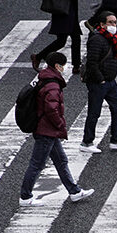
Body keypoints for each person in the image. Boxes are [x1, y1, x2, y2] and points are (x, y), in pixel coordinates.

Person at [20, 53, 94, 207]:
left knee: (61, 161)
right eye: (63, 64)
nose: (64, 68)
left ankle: (74, 191)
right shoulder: (52, 85)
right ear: (57, 66)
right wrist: (60, 124)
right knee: (37, 164)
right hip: (47, 130)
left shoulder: (45, 78)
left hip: (46, 129)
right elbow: (52, 109)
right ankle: (25, 196)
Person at [79, 11, 117, 153]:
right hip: (99, 82)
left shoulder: (111, 38)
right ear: (102, 24)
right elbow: (92, 62)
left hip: (110, 81)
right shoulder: (97, 39)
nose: (114, 25)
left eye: (115, 22)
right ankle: (87, 142)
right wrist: (100, 79)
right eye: (110, 22)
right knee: (94, 112)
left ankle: (116, 140)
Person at [31, 0, 89, 72]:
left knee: (76, 38)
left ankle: (76, 66)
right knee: (61, 41)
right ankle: (38, 56)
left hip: (69, 13)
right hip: (63, 13)